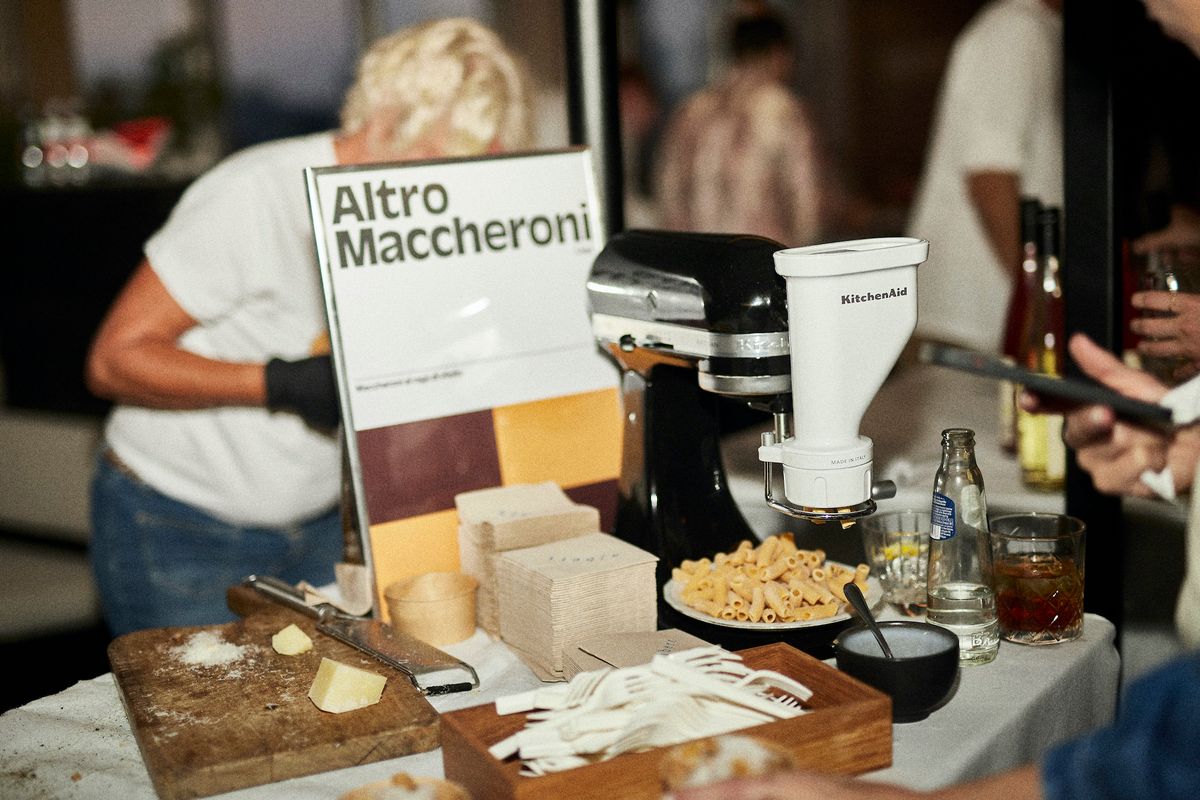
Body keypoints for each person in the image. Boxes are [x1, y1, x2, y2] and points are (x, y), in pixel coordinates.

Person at [84, 17, 533, 636]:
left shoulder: (420, 212)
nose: (453, 186)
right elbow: (113, 359)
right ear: (386, 120)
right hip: (177, 525)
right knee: (206, 726)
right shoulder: (257, 194)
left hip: (325, 523)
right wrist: (283, 384)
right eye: (442, 155)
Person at [908, 0, 1063, 354]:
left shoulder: (1033, 29)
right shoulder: (1014, 31)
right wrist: (1040, 307)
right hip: (974, 325)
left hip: (989, 321)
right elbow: (990, 178)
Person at [653, 9, 825, 246]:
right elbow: (807, 202)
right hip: (762, 260)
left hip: (699, 259)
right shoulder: (782, 109)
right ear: (779, 53)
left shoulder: (690, 110)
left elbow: (667, 193)